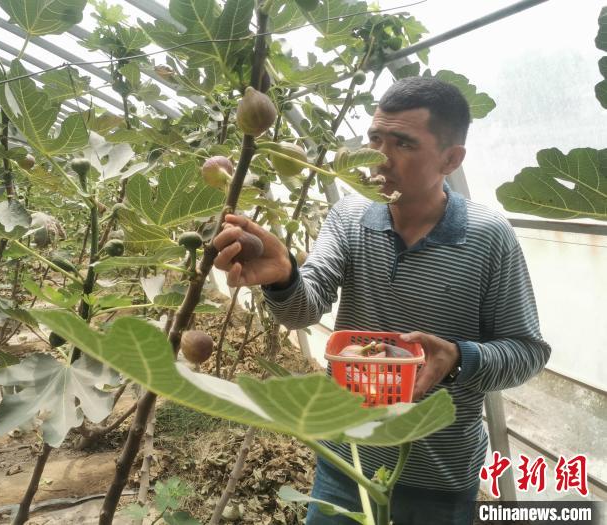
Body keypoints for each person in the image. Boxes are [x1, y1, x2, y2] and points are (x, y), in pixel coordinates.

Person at [213, 76, 551, 525]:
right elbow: (304, 309)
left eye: (404, 144)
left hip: (439, 477)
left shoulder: (488, 237)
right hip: (347, 457)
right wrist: (284, 278)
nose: (379, 158)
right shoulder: (349, 216)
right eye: (374, 139)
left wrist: (458, 358)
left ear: (451, 159)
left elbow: (527, 352)